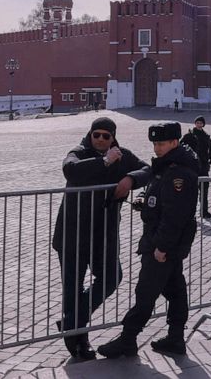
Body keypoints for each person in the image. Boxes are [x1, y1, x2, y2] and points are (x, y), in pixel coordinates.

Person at [98, 121, 199, 358]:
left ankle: (128, 339)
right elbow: (160, 193)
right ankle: (175, 338)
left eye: (161, 143)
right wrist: (146, 198)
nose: (156, 148)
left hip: (161, 244)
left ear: (175, 143)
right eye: (154, 143)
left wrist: (162, 246)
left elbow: (175, 216)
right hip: (163, 241)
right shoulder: (168, 166)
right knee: (174, 290)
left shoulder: (179, 173)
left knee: (146, 292)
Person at [52, 117, 150, 361]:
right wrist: (104, 162)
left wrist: (131, 180)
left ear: (113, 137)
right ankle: (78, 341)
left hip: (102, 233)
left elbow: (148, 169)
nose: (101, 139)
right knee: (72, 287)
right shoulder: (79, 152)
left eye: (106, 136)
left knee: (111, 276)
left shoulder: (121, 154)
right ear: (90, 134)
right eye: (97, 134)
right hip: (72, 234)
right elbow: (70, 170)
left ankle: (72, 321)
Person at [181, 116, 211, 219]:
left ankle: (204, 211)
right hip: (192, 167)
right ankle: (189, 212)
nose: (199, 124)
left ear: (203, 124)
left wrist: (209, 158)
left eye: (201, 123)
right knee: (191, 190)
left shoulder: (206, 136)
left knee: (204, 189)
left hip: (203, 167)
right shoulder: (189, 135)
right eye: (197, 122)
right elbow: (180, 147)